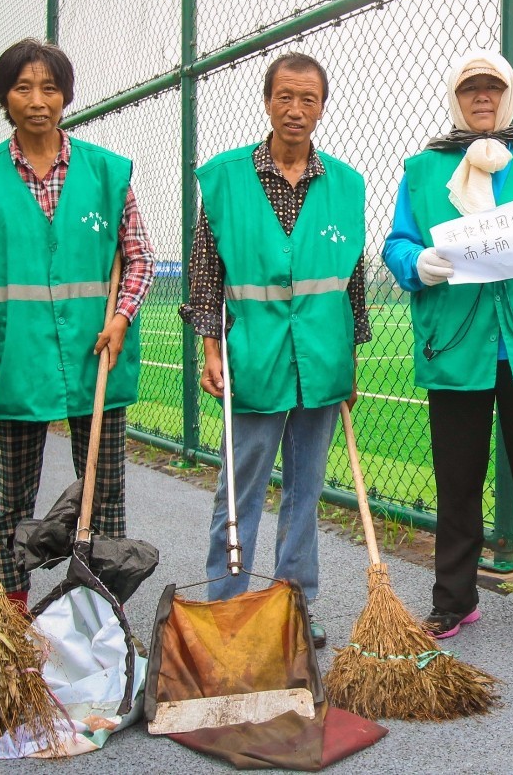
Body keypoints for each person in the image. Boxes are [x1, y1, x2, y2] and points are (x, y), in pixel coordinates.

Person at [381, 50, 513, 647]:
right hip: (457, 345)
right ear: (457, 97)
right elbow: (396, 244)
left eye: (493, 89)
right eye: (471, 90)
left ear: (509, 95)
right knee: (457, 479)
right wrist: (414, 263)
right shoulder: (423, 170)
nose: (483, 99)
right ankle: (454, 598)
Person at [0, 38, 156, 613]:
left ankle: (101, 612)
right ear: (5, 99)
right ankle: (11, 613)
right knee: (13, 494)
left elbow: (137, 257)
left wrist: (120, 318)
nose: (37, 100)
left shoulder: (106, 173)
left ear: (66, 96)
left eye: (49, 88)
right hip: (19, 357)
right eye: (23, 88)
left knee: (104, 492)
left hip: (98, 356)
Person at [179, 52, 368, 648]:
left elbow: (351, 279)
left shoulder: (346, 184)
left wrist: (349, 359)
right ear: (267, 102)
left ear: (321, 108)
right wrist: (211, 346)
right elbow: (206, 271)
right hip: (254, 355)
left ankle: (294, 606)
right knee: (240, 487)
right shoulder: (227, 178)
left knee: (306, 490)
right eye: (285, 97)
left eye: (308, 99)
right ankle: (228, 608)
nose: (296, 109)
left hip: (321, 358)